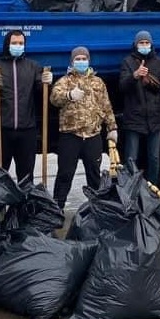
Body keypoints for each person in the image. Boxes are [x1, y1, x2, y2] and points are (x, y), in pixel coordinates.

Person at [0, 30, 52, 183]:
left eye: (21, 43)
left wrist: (47, 83)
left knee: (26, 175)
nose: (18, 46)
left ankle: (25, 205)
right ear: (7, 44)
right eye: (14, 43)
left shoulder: (33, 66)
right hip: (1, 130)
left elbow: (42, 93)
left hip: (27, 130)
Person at [50, 46, 117, 207]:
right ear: (72, 62)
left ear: (89, 60)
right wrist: (69, 95)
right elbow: (54, 98)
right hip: (70, 135)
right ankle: (57, 207)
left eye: (83, 59)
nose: (81, 62)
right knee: (65, 173)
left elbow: (106, 106)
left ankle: (97, 208)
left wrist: (112, 127)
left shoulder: (98, 82)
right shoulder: (65, 81)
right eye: (77, 59)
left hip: (93, 135)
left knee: (94, 174)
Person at [118, 30, 160, 184]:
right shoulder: (127, 62)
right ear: (136, 45)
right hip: (134, 118)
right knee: (131, 157)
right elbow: (122, 87)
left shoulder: (158, 62)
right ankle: (131, 188)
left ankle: (153, 188)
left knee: (154, 157)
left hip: (155, 119)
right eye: (141, 43)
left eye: (147, 43)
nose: (144, 45)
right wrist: (134, 76)